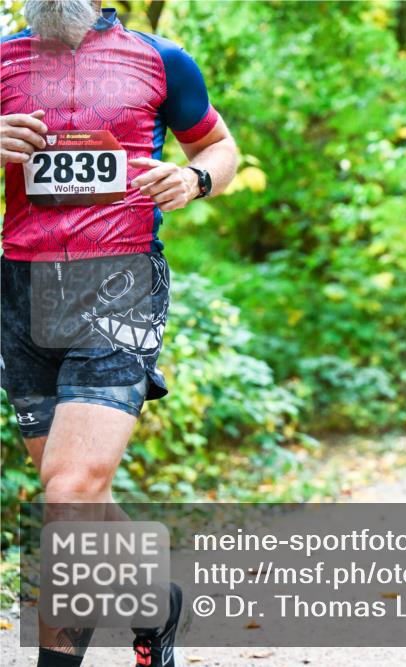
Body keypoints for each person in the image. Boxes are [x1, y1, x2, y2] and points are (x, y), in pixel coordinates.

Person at [1, 2, 238, 666]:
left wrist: (195, 179)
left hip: (120, 284)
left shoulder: (162, 60)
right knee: (77, 488)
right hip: (22, 289)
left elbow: (220, 148)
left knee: (70, 487)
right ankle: (157, 603)